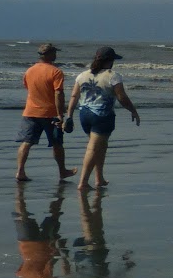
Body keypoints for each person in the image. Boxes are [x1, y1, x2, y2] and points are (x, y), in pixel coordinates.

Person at [65, 46, 140, 190]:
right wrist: (133, 111)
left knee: (101, 146)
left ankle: (99, 178)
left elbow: (74, 96)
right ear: (110, 61)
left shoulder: (82, 75)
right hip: (102, 116)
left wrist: (70, 115)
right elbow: (121, 97)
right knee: (93, 148)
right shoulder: (113, 76)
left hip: (85, 115)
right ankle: (83, 182)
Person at [14, 43, 73, 182]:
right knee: (57, 143)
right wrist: (60, 114)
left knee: (26, 142)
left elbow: (28, 88)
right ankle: (62, 171)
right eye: (54, 53)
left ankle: (20, 171)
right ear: (48, 55)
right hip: (50, 112)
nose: (56, 55)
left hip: (30, 111)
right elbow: (58, 93)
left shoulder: (29, 71)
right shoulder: (55, 71)